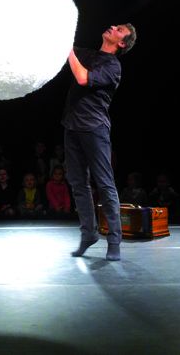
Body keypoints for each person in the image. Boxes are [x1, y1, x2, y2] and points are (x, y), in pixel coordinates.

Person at [62, 23, 137, 261]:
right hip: (72, 126)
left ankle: (114, 240)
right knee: (78, 183)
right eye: (115, 25)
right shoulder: (89, 54)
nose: (113, 27)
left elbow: (83, 78)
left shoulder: (113, 66)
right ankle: (88, 235)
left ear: (122, 43)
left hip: (94, 128)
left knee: (104, 184)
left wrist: (68, 52)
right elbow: (63, 49)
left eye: (120, 30)